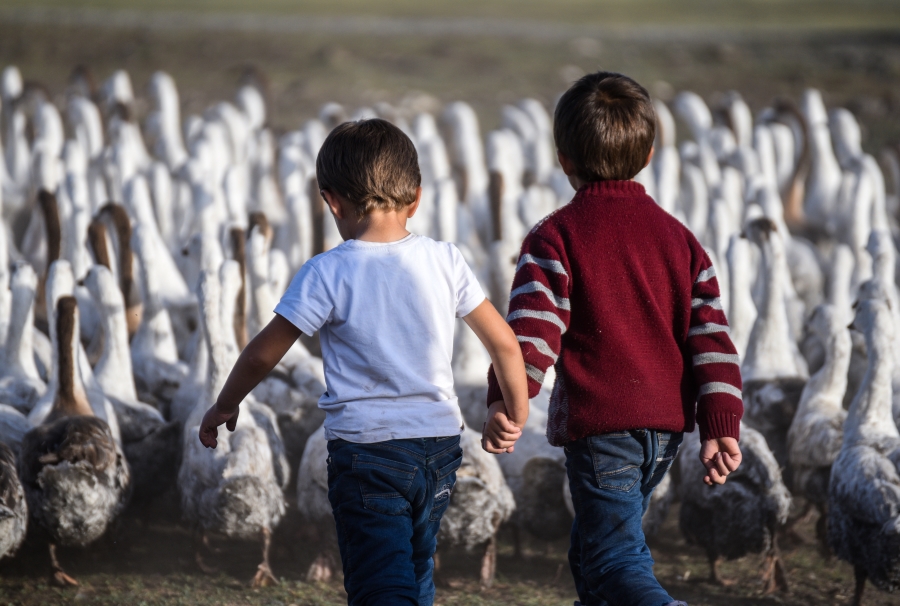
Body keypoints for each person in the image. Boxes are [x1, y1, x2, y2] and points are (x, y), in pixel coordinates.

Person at [197, 118, 529, 606]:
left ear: (331, 201)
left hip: (367, 452)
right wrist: (514, 415)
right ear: (415, 198)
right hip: (439, 446)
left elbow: (264, 351)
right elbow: (505, 345)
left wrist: (225, 404)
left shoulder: (326, 272)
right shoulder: (445, 260)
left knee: (379, 580)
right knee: (416, 564)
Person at [485, 72, 744, 606]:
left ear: (564, 160)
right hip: (665, 432)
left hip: (605, 431)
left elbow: (531, 335)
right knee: (595, 547)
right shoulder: (681, 240)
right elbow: (712, 339)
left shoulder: (555, 236)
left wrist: (507, 402)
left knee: (615, 559)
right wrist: (721, 424)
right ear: (649, 154)